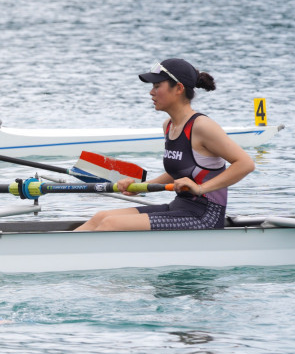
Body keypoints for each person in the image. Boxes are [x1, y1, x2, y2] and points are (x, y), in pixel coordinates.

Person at [76, 59, 255, 232]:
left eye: (156, 86)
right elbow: (180, 171)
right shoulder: (169, 125)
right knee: (101, 217)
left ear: (178, 88)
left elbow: (245, 164)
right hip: (179, 208)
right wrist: (140, 187)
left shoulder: (201, 126)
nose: (151, 93)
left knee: (112, 224)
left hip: (205, 216)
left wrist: (201, 189)